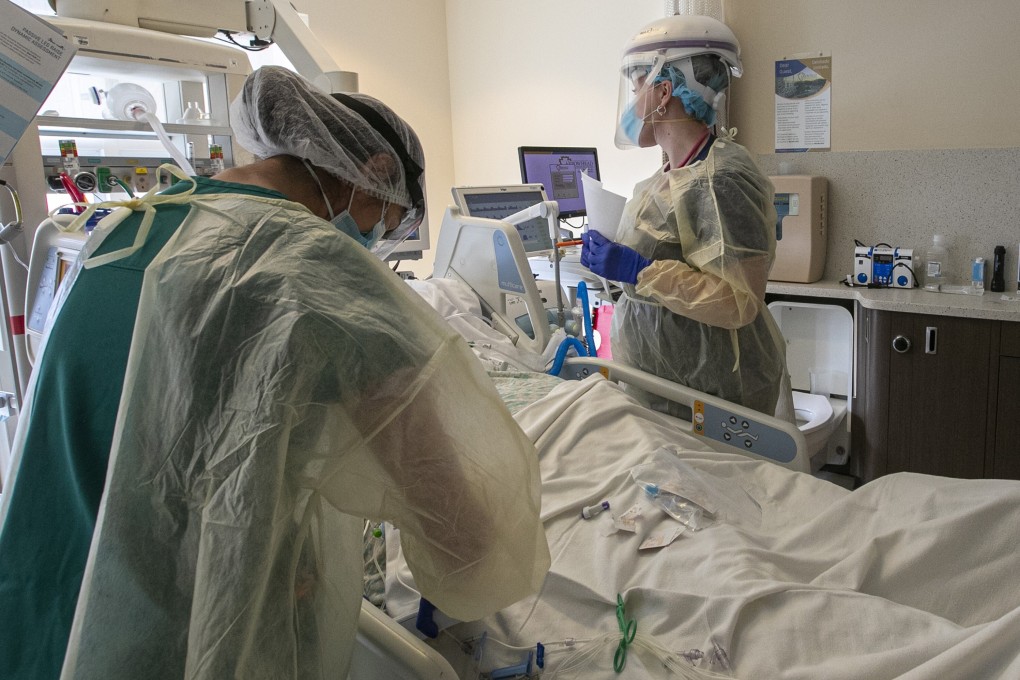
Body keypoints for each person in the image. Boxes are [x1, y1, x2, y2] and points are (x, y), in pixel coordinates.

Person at [0, 65, 550, 680]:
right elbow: (469, 540)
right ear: (373, 174)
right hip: (160, 637)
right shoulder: (316, 270)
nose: (376, 244)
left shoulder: (124, 230)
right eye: (389, 226)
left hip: (37, 602)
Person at [581, 15, 793, 421]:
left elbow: (738, 301)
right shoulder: (668, 177)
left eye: (636, 86)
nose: (632, 102)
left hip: (716, 391)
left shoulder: (722, 177)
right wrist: (617, 261)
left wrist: (641, 270)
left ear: (663, 91)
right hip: (665, 383)